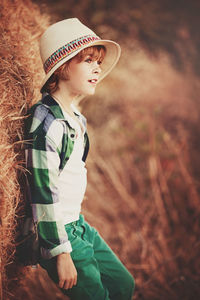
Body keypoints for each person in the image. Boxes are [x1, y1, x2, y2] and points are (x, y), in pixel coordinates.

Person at [25, 18, 135, 300]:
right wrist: (60, 253)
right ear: (62, 67)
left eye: (98, 61)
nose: (97, 68)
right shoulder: (47, 122)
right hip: (58, 232)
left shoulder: (76, 119)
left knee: (124, 285)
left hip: (78, 224)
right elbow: (43, 191)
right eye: (88, 60)